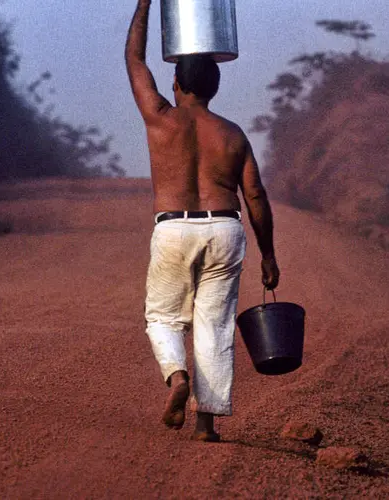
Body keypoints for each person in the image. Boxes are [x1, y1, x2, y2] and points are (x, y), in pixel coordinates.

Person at [125, 0, 280, 441]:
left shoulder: (160, 117)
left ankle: (177, 378)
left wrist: (144, 3)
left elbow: (134, 58)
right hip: (225, 228)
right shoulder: (233, 134)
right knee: (214, 325)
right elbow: (255, 195)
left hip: (174, 227)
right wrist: (268, 253)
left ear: (174, 83)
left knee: (163, 318)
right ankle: (206, 423)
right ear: (214, 87)